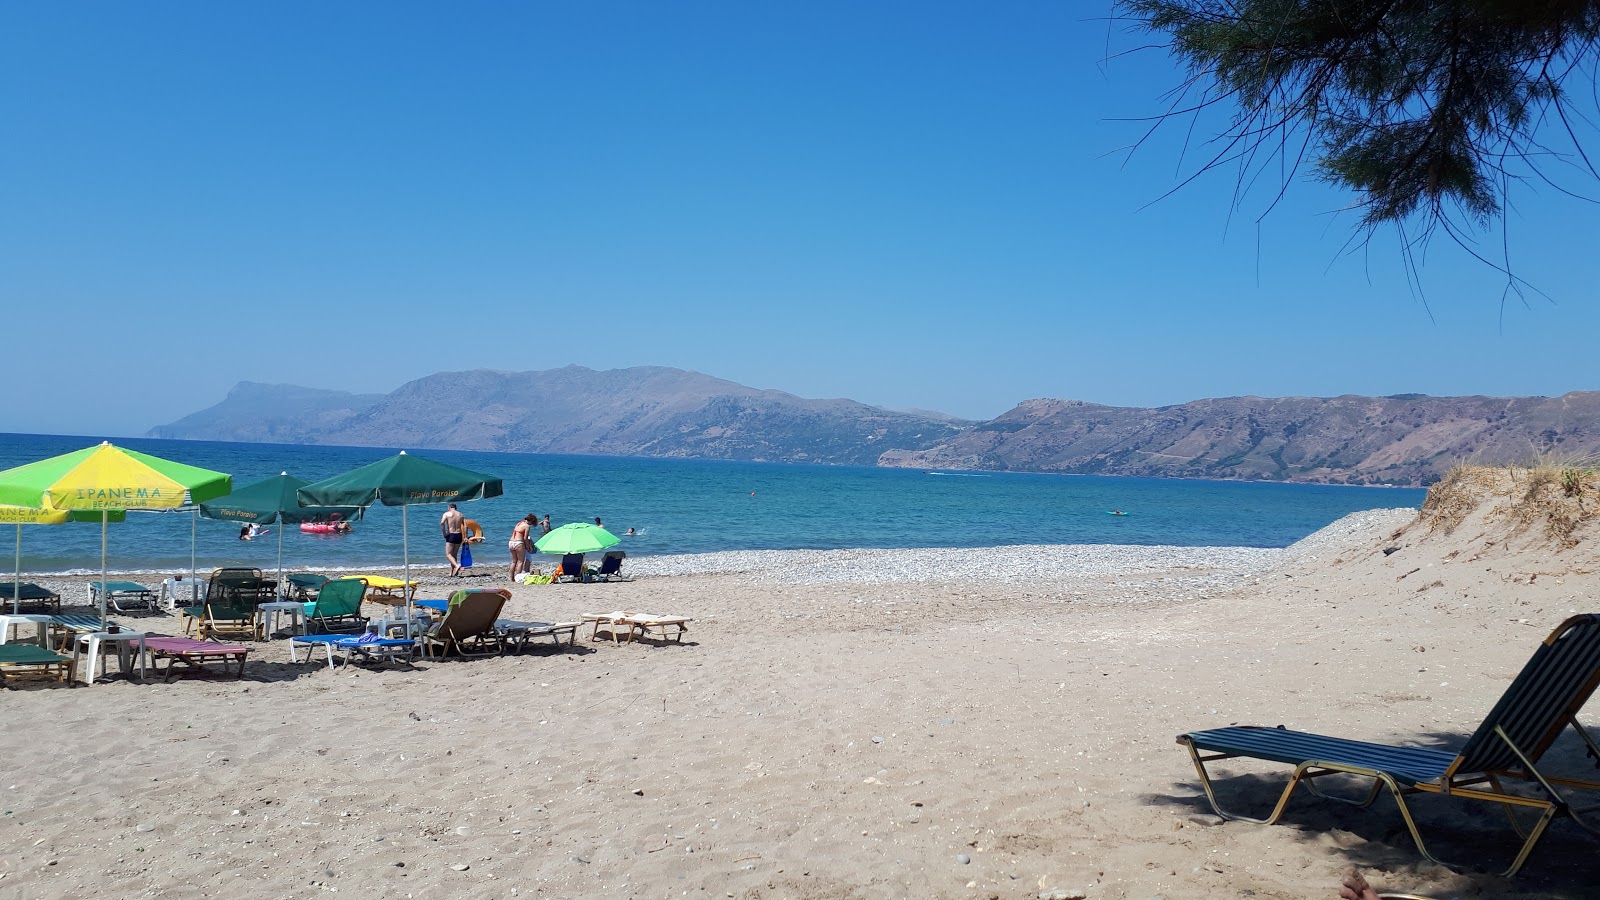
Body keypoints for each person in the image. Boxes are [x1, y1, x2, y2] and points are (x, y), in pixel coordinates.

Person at [509, 514, 535, 582]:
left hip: (511, 542)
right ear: (531, 521)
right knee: (521, 561)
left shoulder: (519, 523)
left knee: (514, 561)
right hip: (518, 543)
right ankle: (518, 577)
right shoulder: (527, 526)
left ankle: (511, 578)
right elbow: (525, 538)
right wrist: (528, 546)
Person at [441, 503, 465, 577]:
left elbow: (442, 523)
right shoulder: (461, 514)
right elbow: (465, 526)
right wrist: (465, 536)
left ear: (449, 507)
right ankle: (452, 572)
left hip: (451, 535)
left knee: (448, 554)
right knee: (454, 555)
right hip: (459, 535)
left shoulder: (447, 514)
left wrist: (444, 533)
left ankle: (457, 566)